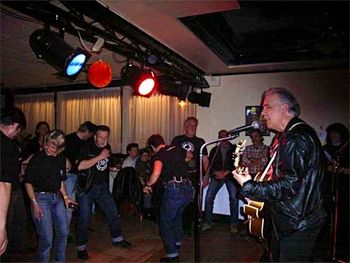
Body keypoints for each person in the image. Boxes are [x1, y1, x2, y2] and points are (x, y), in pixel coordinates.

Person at [233, 87, 327, 262]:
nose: (263, 113)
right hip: (297, 217)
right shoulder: (293, 134)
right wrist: (259, 194)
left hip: (297, 221)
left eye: (267, 107)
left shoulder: (295, 138)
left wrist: (250, 186)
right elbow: (290, 179)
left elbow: (290, 185)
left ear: (284, 109)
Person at [75, 125, 131, 260]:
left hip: (102, 187)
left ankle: (117, 238)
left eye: (106, 138)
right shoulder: (86, 147)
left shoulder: (107, 147)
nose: (103, 140)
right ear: (95, 136)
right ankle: (81, 247)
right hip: (87, 188)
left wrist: (112, 165)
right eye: (100, 137)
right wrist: (99, 157)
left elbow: (105, 164)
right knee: (84, 218)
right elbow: (80, 166)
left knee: (113, 212)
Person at [24, 129, 76, 263]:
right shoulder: (38, 159)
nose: (49, 148)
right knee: (46, 238)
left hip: (56, 199)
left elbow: (60, 181)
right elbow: (28, 183)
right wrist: (34, 203)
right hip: (40, 199)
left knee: (63, 233)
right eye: (47, 144)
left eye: (53, 147)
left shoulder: (60, 159)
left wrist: (65, 197)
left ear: (60, 148)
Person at [143, 134, 194, 262]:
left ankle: (172, 255)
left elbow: (156, 173)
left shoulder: (158, 154)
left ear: (153, 146)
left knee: (164, 222)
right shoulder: (176, 148)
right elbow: (190, 156)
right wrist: (179, 161)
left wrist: (148, 185)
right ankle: (176, 243)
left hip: (175, 188)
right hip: (188, 188)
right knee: (176, 217)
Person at [171, 116, 209, 234]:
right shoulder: (177, 140)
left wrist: (206, 176)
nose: (193, 128)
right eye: (191, 125)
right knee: (179, 201)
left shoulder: (200, 142)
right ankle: (178, 225)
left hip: (194, 176)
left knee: (192, 202)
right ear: (185, 126)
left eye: (195, 126)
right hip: (180, 176)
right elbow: (172, 157)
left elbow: (205, 160)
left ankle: (188, 227)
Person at [64, 121, 96, 242]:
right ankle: (65, 233)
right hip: (70, 175)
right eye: (90, 133)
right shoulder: (68, 139)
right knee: (69, 205)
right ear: (87, 131)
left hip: (81, 176)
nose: (90, 136)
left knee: (85, 203)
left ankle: (83, 226)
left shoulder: (86, 142)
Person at [0, 107, 26, 257]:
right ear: (14, 126)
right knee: (12, 231)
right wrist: (1, 227)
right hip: (7, 194)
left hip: (14, 187)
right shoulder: (7, 145)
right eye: (18, 131)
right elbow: (3, 184)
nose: (17, 135)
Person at [202, 129, 239, 234]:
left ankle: (234, 224)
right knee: (208, 197)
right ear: (219, 138)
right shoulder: (214, 150)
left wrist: (226, 172)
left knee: (234, 198)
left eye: (225, 135)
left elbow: (238, 164)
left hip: (230, 177)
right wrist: (211, 175)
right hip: (217, 177)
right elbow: (210, 165)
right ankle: (208, 222)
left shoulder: (235, 148)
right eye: (221, 136)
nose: (223, 137)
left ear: (228, 136)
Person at [322, 123, 349, 262]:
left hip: (344, 187)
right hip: (328, 185)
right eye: (331, 133)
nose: (333, 135)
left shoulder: (347, 149)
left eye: (336, 133)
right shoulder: (326, 149)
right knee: (326, 214)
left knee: (343, 216)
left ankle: (341, 246)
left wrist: (341, 170)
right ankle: (326, 245)